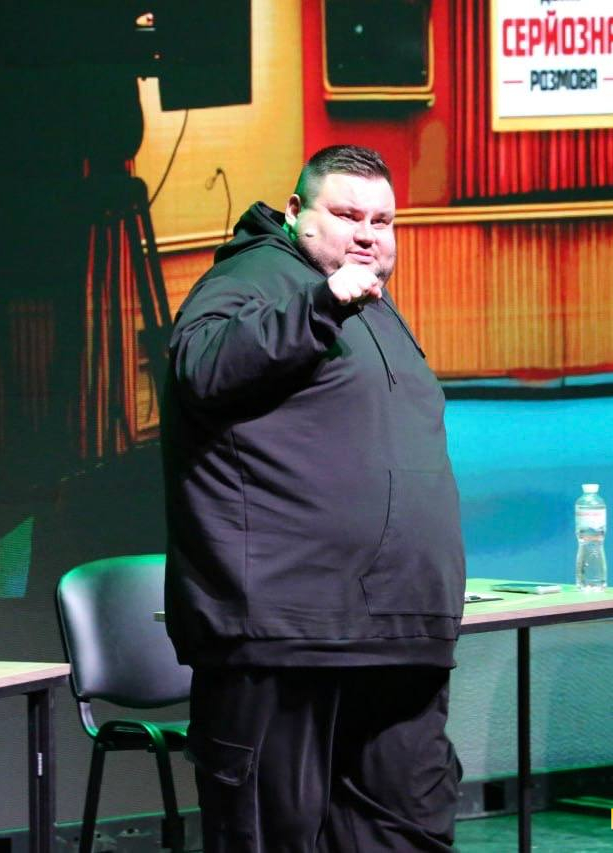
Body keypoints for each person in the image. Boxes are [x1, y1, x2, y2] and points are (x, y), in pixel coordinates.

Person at [161, 145, 465, 852]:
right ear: (296, 212)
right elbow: (201, 366)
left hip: (396, 632)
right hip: (286, 635)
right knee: (273, 837)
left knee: (407, 832)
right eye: (348, 215)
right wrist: (322, 303)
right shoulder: (253, 276)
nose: (367, 234)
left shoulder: (370, 303)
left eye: (382, 221)